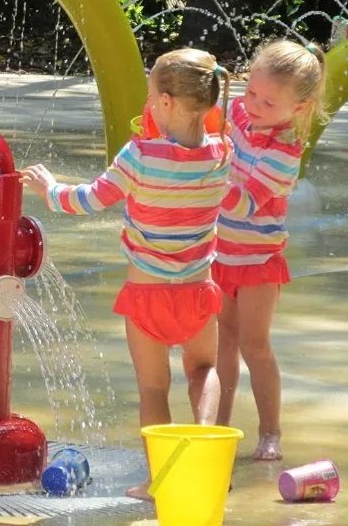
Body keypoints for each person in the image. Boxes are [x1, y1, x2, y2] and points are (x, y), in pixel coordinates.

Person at [21, 48, 233, 500]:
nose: (149, 103)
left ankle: (160, 481)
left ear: (168, 102)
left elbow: (87, 199)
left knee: (154, 389)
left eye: (152, 96)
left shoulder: (139, 155)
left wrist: (48, 188)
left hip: (147, 296)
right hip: (198, 292)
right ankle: (208, 451)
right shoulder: (221, 154)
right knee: (204, 370)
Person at [213, 40, 328, 461]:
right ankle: (217, 427)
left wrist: (206, 177)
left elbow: (245, 203)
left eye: (268, 101)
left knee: (254, 345)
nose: (254, 105)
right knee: (222, 343)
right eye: (251, 92)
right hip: (219, 254)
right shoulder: (237, 114)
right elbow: (206, 126)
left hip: (257, 262)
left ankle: (270, 431)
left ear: (299, 108)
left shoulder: (284, 153)